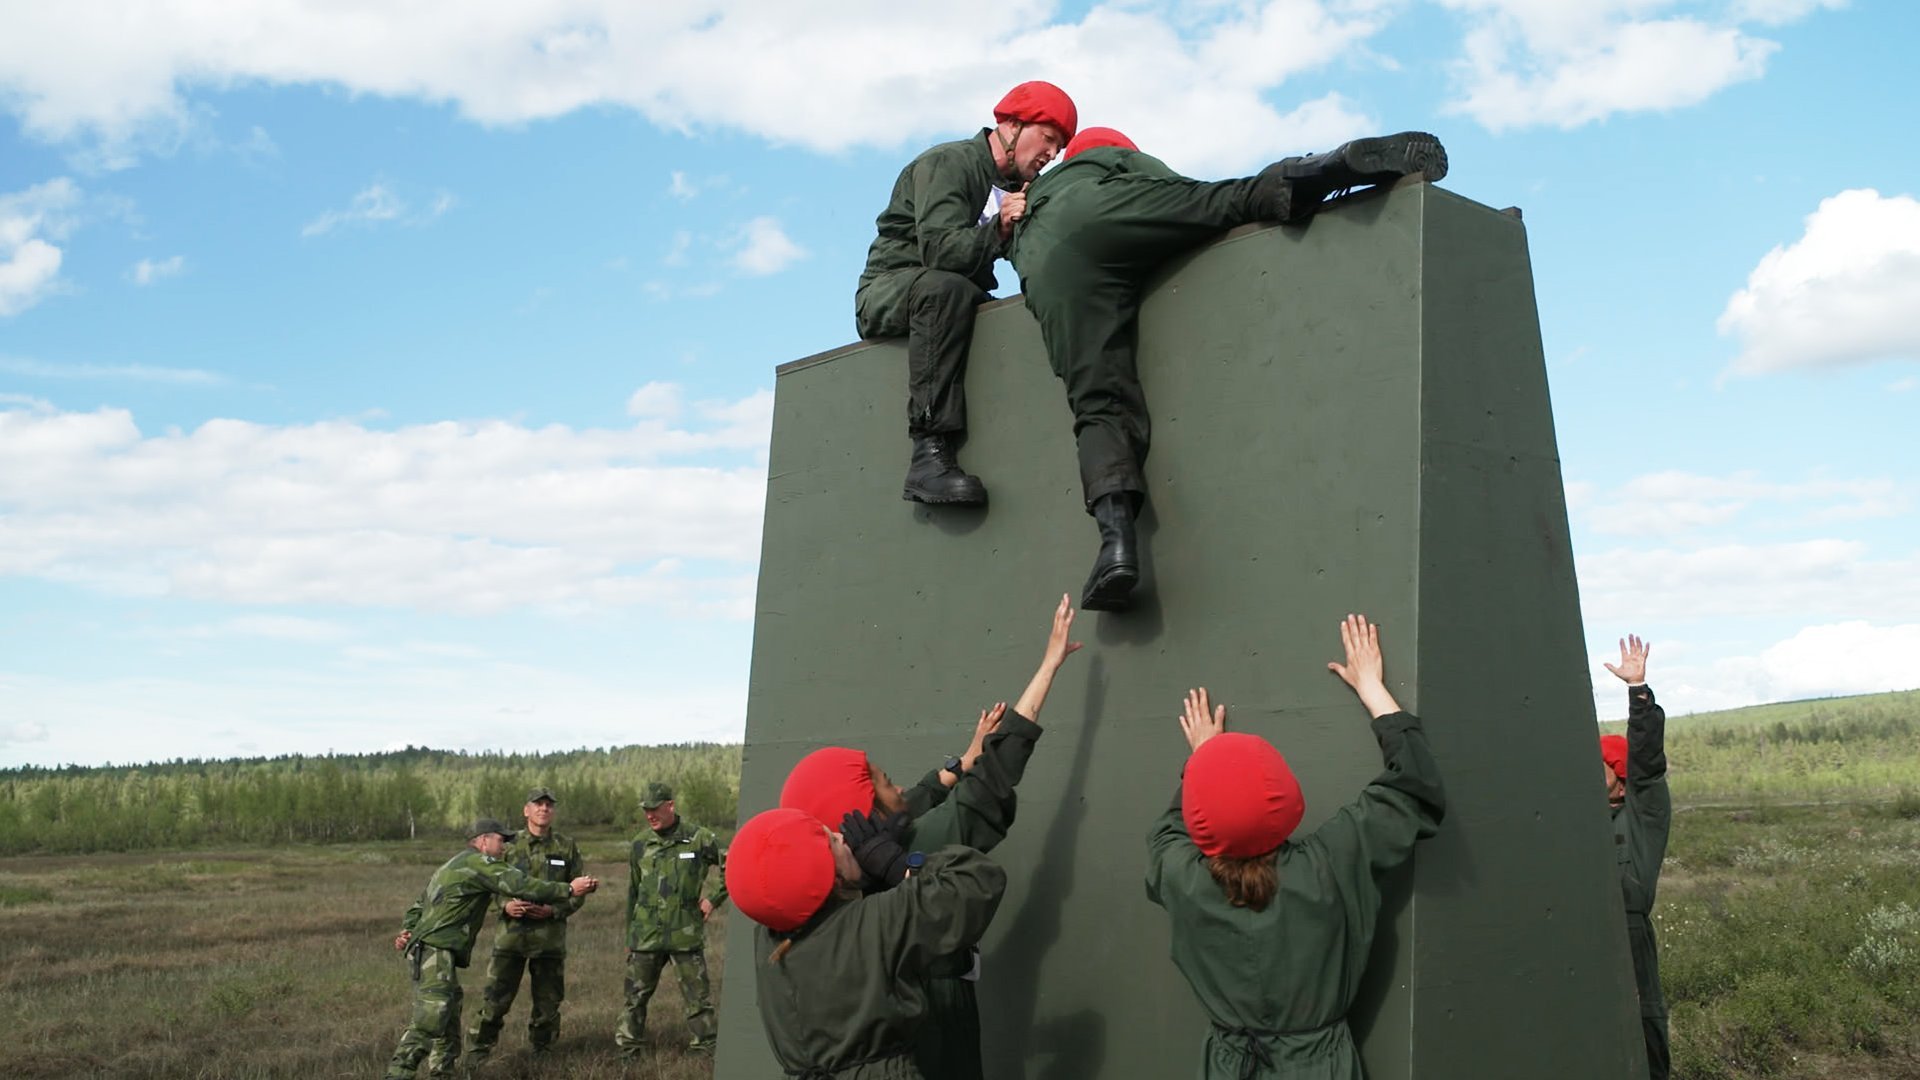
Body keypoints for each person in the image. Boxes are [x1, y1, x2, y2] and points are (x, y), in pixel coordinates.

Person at [1006, 127, 1448, 610]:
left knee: (1097, 405)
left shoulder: (1028, 206)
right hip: (1099, 212)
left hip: (1045, 266)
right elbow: (1177, 191)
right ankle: (1333, 167)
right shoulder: (1109, 158)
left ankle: (1115, 548)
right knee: (1230, 200)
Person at [778, 592, 1081, 1080]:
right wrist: (1049, 665)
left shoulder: (818, 902)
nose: (896, 783)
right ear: (864, 816)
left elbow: (913, 800)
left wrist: (960, 760)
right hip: (939, 1024)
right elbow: (996, 773)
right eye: (881, 781)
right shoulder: (922, 844)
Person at [1145, 614, 1446, 1078]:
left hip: (1228, 1068)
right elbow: (1413, 787)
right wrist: (1372, 689)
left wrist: (1204, 759)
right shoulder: (1332, 861)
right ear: (1285, 796)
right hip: (1318, 1067)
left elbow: (1170, 830)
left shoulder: (1178, 874)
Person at [856, 80, 1078, 506]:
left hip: (955, 294)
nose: (1052, 154)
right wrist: (1000, 227)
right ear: (1012, 126)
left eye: (1061, 147)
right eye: (1048, 138)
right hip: (893, 286)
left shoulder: (1011, 190)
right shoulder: (949, 162)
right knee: (946, 288)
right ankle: (928, 453)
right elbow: (939, 251)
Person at [726, 805, 1007, 1078]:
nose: (841, 836)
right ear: (827, 873)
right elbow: (978, 882)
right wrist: (895, 864)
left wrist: (859, 881)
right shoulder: (872, 923)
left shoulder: (768, 941)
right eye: (831, 840)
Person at [386, 818, 598, 1080]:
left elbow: (420, 904)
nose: (505, 847)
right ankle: (398, 1073)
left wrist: (408, 930)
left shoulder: (453, 864)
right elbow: (522, 885)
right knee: (431, 1018)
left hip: (433, 951)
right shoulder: (479, 863)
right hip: (435, 952)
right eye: (501, 840)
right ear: (484, 841)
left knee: (449, 1020)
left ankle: (443, 1074)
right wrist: (569, 888)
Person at [463, 788, 585, 1066]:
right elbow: (486, 881)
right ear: (526, 810)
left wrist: (554, 910)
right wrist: (504, 905)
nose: (544, 809)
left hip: (549, 941)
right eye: (538, 804)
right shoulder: (508, 844)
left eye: (548, 805)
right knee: (494, 1002)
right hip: (511, 940)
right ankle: (476, 1055)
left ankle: (543, 1056)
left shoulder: (566, 846)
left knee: (547, 1006)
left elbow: (578, 891)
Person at [1599, 635, 1671, 1080]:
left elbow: (1647, 763)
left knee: (1642, 1033)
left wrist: (1638, 693)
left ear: (1621, 782)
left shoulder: (1643, 813)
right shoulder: (1573, 822)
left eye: (1599, 763)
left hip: (1627, 936)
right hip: (1584, 937)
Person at [615, 781, 729, 1058]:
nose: (650, 815)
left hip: (684, 932)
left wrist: (713, 899)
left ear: (670, 806)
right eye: (646, 810)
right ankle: (629, 1050)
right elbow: (633, 890)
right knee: (634, 998)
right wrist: (630, 935)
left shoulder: (699, 838)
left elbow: (733, 866)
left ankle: (704, 1049)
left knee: (698, 999)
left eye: (655, 809)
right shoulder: (640, 843)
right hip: (645, 934)